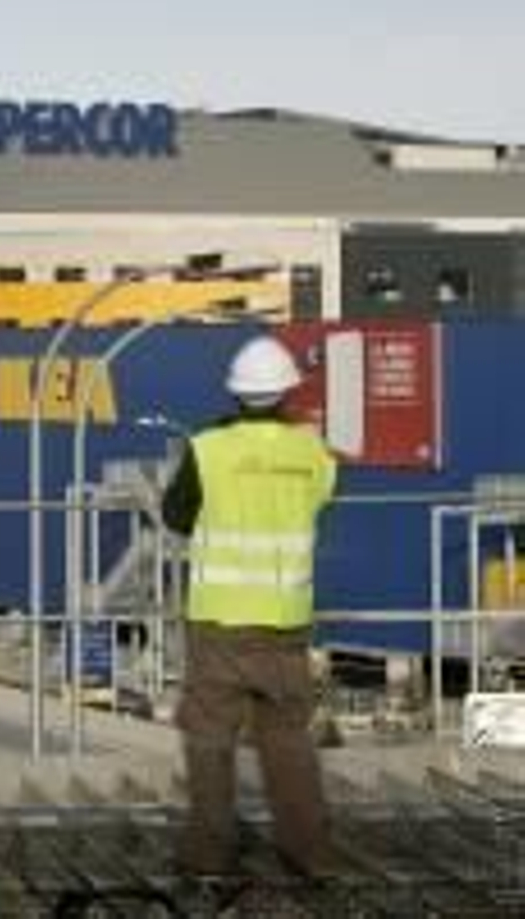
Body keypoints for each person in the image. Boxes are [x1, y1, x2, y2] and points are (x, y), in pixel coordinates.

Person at [160, 335, 339, 879]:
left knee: (210, 737)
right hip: (285, 621)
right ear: (288, 392)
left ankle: (209, 855)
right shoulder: (313, 452)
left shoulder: (208, 449)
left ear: (235, 394)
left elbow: (175, 515)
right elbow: (320, 498)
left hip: (219, 621)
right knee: (288, 739)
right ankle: (311, 854)